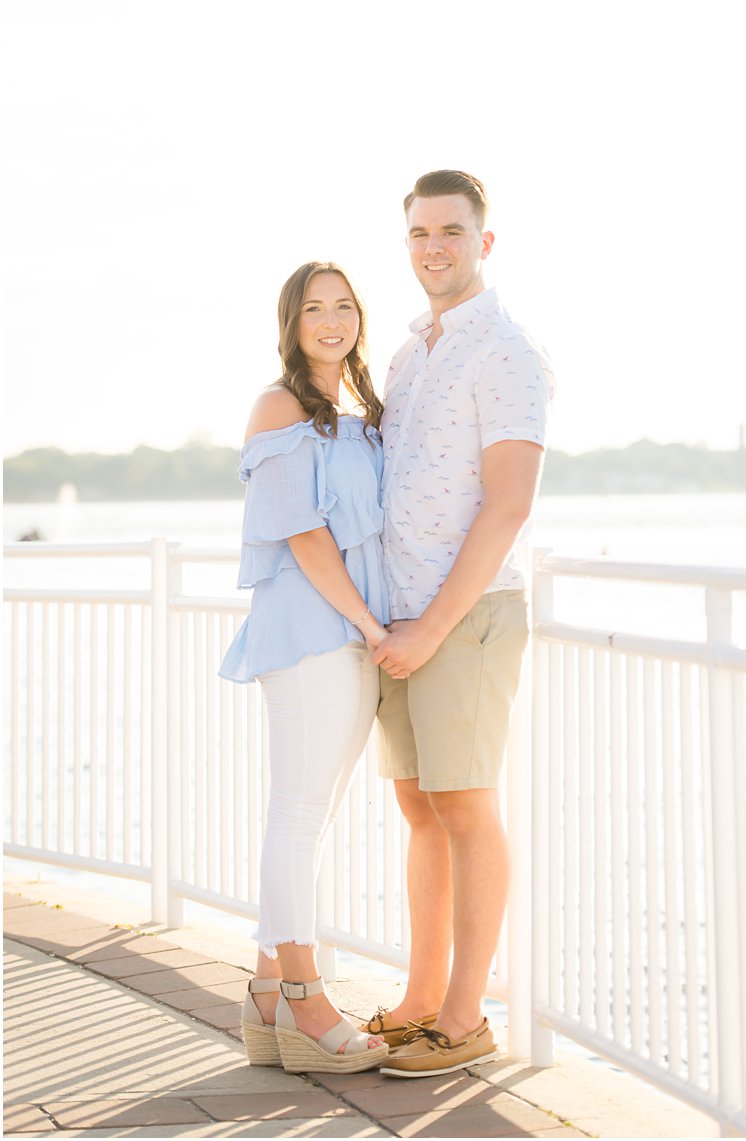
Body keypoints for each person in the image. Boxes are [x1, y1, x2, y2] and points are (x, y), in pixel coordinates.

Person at [358, 170, 553, 1078]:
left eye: (450, 231)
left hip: (464, 616)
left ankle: (468, 1015)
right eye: (419, 233)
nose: (432, 246)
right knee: (419, 807)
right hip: (400, 614)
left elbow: (508, 506)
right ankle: (420, 997)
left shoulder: (505, 353)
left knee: (467, 807)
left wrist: (433, 628)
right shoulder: (408, 355)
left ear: (484, 242)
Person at [220, 261, 390, 1073]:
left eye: (344, 306)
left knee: (311, 815)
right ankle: (304, 1000)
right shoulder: (279, 406)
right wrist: (366, 620)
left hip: (355, 635)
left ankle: (263, 993)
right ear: (291, 323)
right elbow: (301, 531)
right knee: (296, 811)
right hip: (311, 630)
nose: (331, 320)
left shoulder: (359, 411)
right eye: (314, 309)